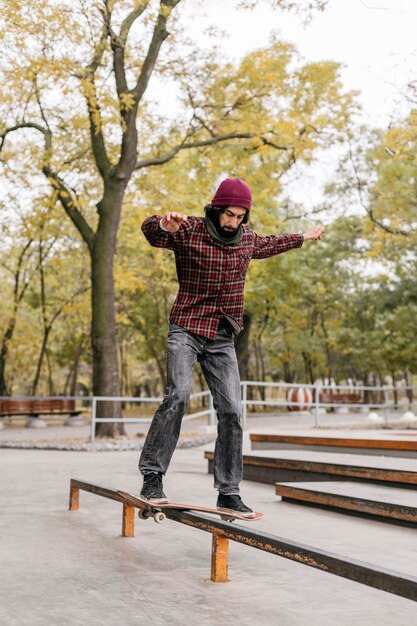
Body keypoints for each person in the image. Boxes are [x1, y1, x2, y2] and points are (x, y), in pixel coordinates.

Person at [138, 178, 324, 517]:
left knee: (232, 411)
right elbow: (152, 233)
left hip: (222, 335)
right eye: (228, 215)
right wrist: (163, 223)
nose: (232, 223)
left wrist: (302, 237)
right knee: (178, 395)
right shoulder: (190, 229)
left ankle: (228, 492)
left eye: (239, 217)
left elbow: (271, 243)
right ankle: (153, 476)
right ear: (215, 209)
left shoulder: (247, 240)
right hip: (187, 328)